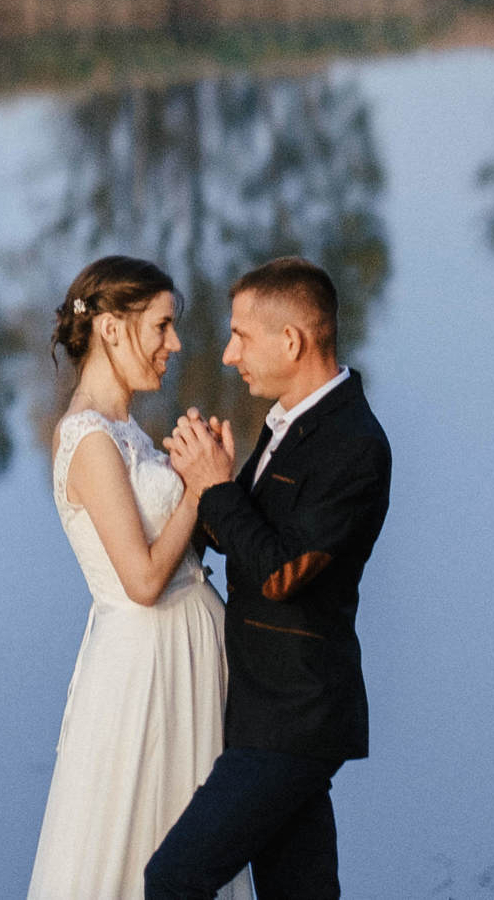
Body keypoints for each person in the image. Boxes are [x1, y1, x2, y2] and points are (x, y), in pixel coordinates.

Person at [147, 256, 393, 900]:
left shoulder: (354, 445)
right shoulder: (288, 423)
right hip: (264, 713)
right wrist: (213, 487)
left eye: (241, 337)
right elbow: (252, 541)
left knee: (173, 879)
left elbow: (285, 572)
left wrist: (218, 488)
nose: (229, 356)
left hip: (297, 717)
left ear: (292, 341)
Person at [26, 256, 248, 900]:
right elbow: (143, 580)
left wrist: (208, 482)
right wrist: (198, 490)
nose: (174, 345)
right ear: (113, 330)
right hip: (144, 674)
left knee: (190, 840)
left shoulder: (125, 430)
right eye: (162, 326)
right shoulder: (88, 438)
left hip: (179, 663)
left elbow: (175, 546)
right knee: (139, 845)